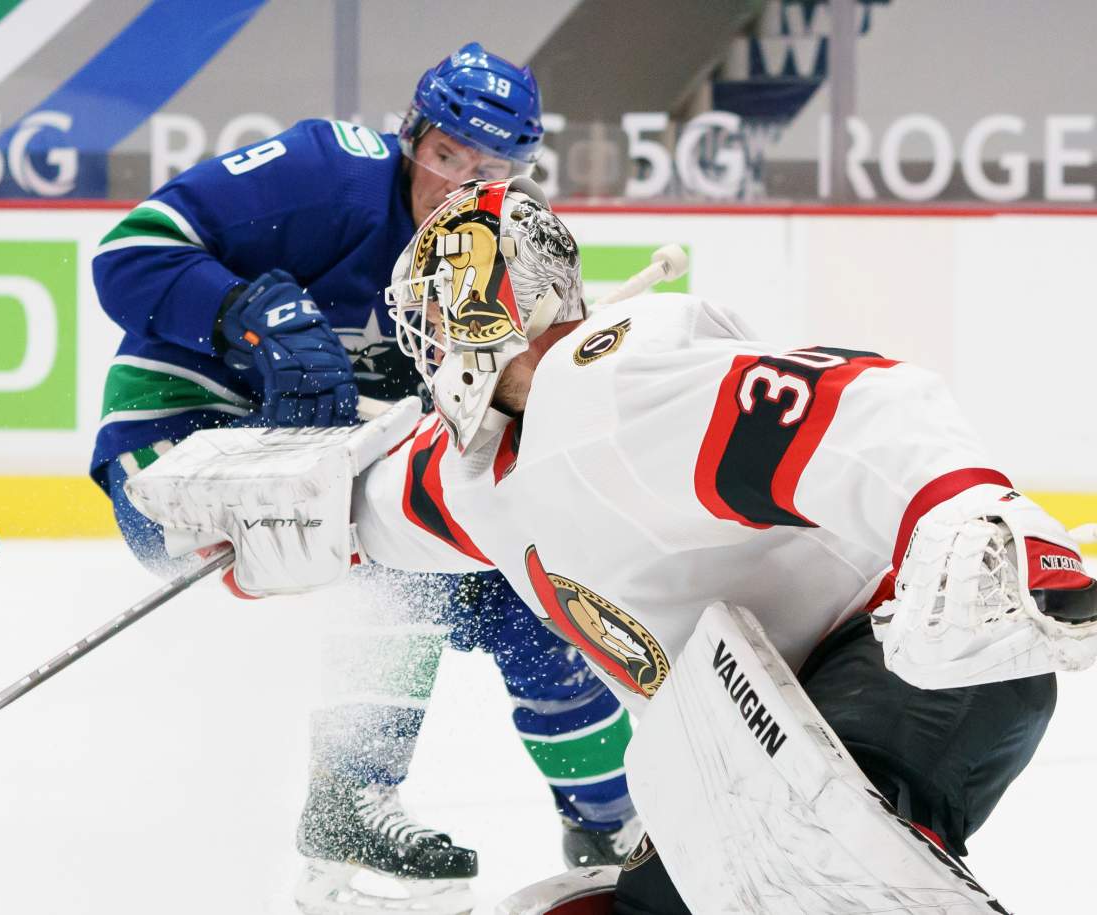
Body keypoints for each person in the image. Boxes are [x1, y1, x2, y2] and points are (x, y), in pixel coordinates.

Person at [125, 176, 1097, 913]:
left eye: (429, 316)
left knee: (784, 845)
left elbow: (858, 404)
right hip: (759, 741)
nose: (420, 345)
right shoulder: (484, 476)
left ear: (478, 309)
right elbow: (376, 502)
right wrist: (251, 522)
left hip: (910, 665)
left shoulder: (615, 385)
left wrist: (969, 516)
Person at [88, 46, 638, 914]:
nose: (458, 184)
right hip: (179, 454)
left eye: (489, 169)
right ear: (411, 134)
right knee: (395, 548)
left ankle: (615, 822)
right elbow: (130, 250)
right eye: (445, 154)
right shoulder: (326, 174)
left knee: (530, 588)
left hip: (327, 476)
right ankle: (348, 807)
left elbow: (517, 416)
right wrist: (243, 315)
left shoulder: (505, 254)